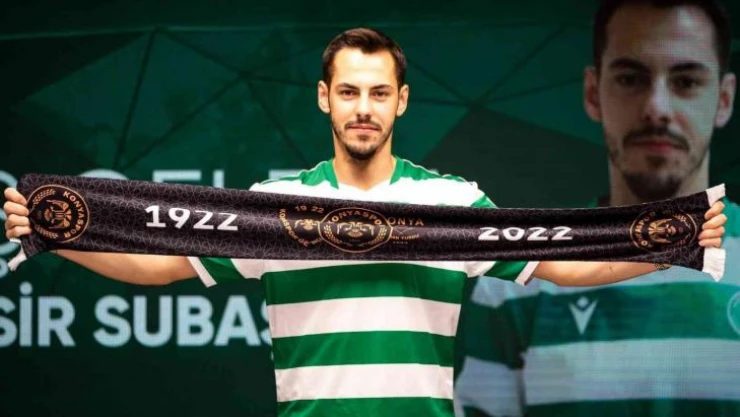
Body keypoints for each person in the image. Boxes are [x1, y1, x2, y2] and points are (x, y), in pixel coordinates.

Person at [4, 27, 727, 417]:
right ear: (324, 98)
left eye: (379, 93)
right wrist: (52, 230)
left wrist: (676, 240)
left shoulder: (452, 202)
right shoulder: (271, 205)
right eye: (349, 91)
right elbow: (156, 265)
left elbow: (566, 264)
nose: (363, 108)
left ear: (402, 102)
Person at [454, 1, 740, 416]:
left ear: (724, 99)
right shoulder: (518, 279)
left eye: (686, 81)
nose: (656, 108)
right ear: (593, 93)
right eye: (630, 79)